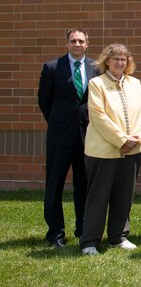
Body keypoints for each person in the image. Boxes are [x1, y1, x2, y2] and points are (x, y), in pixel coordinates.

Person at [79, 44, 141, 255]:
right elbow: (98, 117)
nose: (120, 63)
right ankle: (90, 241)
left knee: (124, 195)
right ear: (106, 61)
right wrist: (121, 140)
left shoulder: (134, 83)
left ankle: (118, 236)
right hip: (103, 151)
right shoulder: (96, 84)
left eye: (124, 59)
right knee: (98, 196)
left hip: (133, 150)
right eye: (115, 59)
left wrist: (133, 139)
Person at [37, 28, 96, 248]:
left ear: (87, 43)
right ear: (67, 43)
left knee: (84, 185)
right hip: (59, 137)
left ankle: (83, 229)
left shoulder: (96, 68)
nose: (77, 44)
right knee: (55, 185)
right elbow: (44, 101)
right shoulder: (52, 67)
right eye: (73, 41)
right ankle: (55, 233)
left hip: (87, 137)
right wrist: (59, 122)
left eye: (81, 41)